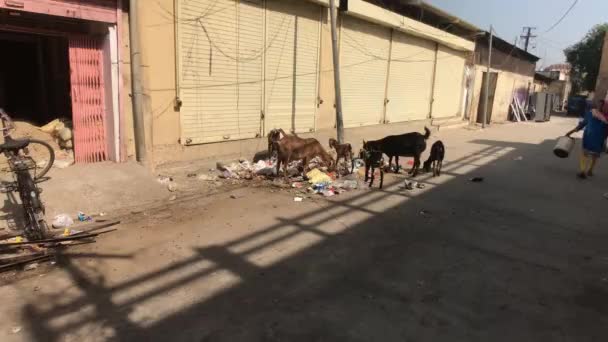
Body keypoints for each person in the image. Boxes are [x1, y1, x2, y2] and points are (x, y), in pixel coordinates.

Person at [566, 100, 608, 179]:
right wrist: (604, 141)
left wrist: (570, 132)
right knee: (595, 155)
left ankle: (583, 171)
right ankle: (590, 170)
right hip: (599, 141)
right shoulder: (606, 118)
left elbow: (582, 124)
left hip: (588, 138)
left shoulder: (591, 113)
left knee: (584, 154)